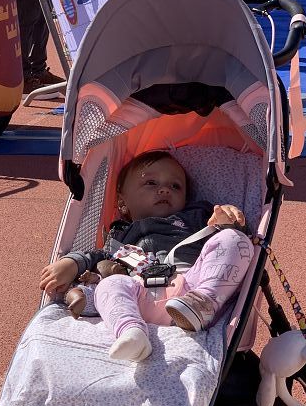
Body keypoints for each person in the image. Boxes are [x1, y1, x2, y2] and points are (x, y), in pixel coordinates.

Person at [39, 151, 251, 361]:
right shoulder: (122, 233)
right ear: (122, 202)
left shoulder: (197, 216)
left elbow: (225, 247)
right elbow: (98, 255)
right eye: (151, 183)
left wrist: (227, 219)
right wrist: (71, 262)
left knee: (234, 239)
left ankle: (205, 303)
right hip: (143, 294)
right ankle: (131, 332)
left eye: (175, 186)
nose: (165, 190)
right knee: (110, 284)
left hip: (193, 286)